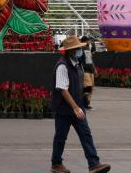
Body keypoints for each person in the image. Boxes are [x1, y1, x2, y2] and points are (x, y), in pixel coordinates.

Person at [50, 35, 110, 173]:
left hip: (78, 106)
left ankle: (94, 164)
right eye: (77, 49)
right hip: (64, 109)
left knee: (85, 134)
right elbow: (63, 89)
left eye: (80, 48)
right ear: (70, 51)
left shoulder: (77, 63)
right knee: (60, 137)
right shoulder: (62, 66)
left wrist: (81, 101)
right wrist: (75, 107)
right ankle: (56, 164)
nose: (80, 50)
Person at [80, 35, 96, 109]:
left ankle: (88, 102)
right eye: (89, 40)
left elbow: (90, 59)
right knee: (88, 86)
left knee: (91, 87)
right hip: (85, 69)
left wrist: (94, 69)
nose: (90, 41)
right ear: (85, 41)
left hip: (91, 69)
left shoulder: (88, 48)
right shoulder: (80, 49)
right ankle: (84, 102)